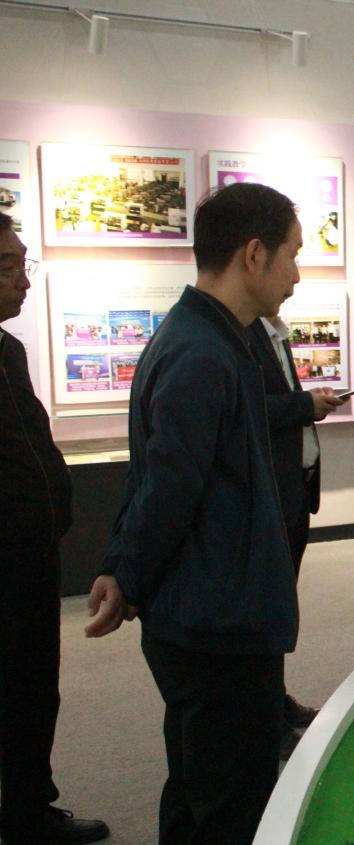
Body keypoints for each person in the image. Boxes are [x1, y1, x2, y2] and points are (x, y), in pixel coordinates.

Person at [84, 182, 305, 845]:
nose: (297, 275)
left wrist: (123, 567)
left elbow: (157, 473)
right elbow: (166, 488)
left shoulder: (208, 339)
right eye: (293, 255)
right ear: (254, 254)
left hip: (211, 610)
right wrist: (127, 576)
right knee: (231, 804)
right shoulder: (202, 353)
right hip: (215, 622)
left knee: (197, 786)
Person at [0, 211, 109, 845]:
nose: (23, 281)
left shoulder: (8, 351)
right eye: (7, 267)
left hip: (32, 557)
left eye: (24, 265)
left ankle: (27, 813)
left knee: (34, 689)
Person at [246, 309, 346, 756]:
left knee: (280, 606)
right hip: (270, 493)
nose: (295, 278)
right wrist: (305, 406)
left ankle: (275, 699)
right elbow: (248, 409)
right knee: (266, 609)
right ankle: (265, 716)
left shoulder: (276, 335)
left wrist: (309, 402)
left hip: (294, 490)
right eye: (288, 271)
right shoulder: (240, 338)